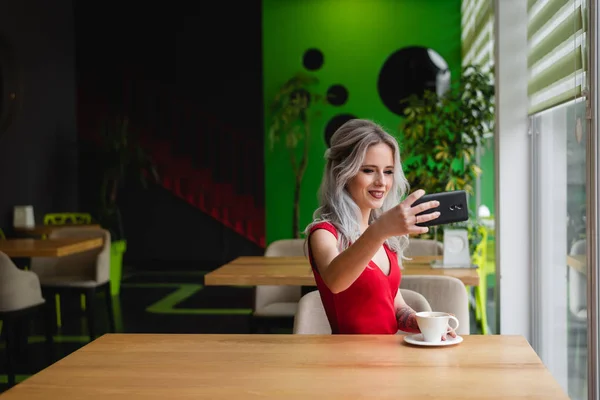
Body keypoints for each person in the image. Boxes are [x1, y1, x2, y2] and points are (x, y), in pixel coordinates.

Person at [305, 118, 456, 338]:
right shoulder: (325, 233)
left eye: (388, 171)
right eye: (368, 170)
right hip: (345, 364)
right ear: (342, 174)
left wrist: (423, 322)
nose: (382, 182)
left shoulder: (384, 238)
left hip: (389, 361)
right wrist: (381, 229)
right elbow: (336, 282)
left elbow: (394, 306)